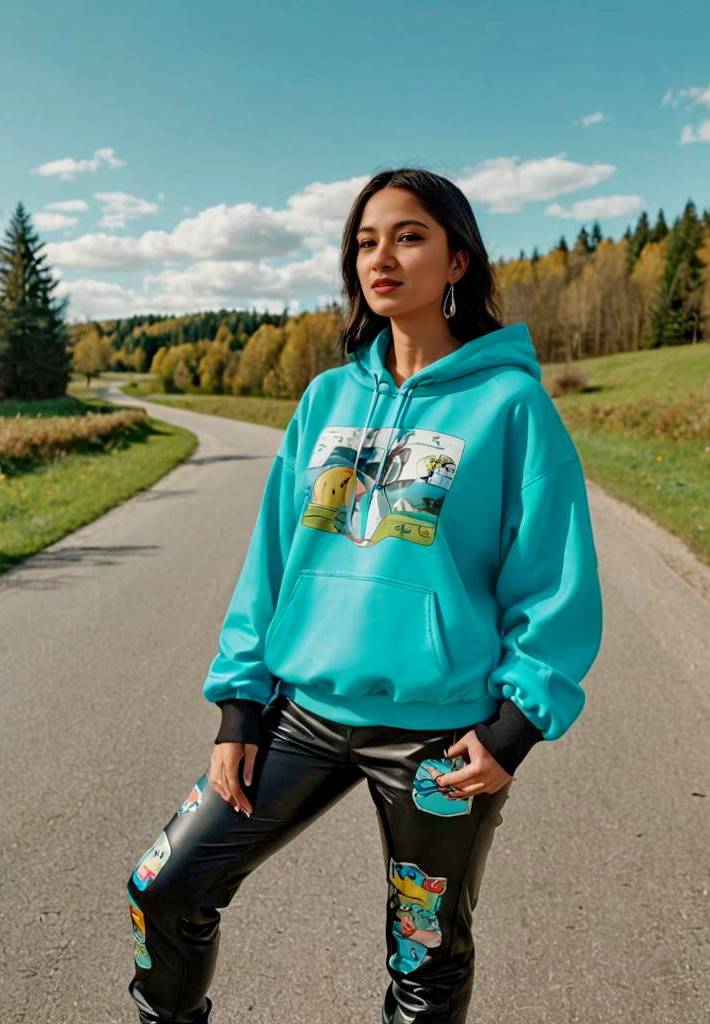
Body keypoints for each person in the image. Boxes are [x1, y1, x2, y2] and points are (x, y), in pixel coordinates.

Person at [125, 167, 604, 1024]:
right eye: (364, 240)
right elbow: (271, 561)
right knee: (163, 887)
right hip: (302, 715)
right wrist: (240, 707)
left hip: (439, 740)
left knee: (423, 960)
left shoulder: (513, 406)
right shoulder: (326, 398)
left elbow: (555, 582)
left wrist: (514, 729)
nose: (380, 256)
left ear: (459, 261)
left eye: (409, 236)